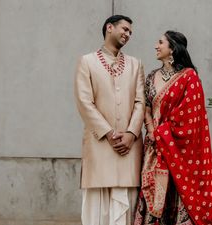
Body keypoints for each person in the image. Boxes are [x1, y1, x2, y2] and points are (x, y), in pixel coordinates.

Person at [134, 31, 212, 225]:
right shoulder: (151, 77)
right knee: (154, 191)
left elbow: (189, 118)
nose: (156, 46)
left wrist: (161, 133)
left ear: (172, 48)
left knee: (179, 191)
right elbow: (147, 107)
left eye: (160, 42)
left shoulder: (189, 77)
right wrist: (150, 131)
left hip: (180, 149)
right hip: (154, 147)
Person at [74, 15, 145, 225]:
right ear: (109, 28)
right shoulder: (87, 61)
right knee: (97, 205)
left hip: (129, 148)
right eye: (124, 29)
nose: (127, 34)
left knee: (126, 202)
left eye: (130, 32)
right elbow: (84, 101)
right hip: (100, 144)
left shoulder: (135, 64)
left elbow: (141, 102)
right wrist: (109, 133)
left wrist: (132, 134)